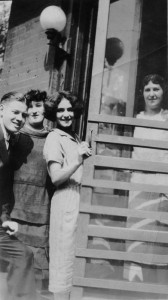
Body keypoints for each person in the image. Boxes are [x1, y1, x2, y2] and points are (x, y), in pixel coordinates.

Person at [43, 91, 92, 300]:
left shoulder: (75, 136)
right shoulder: (54, 137)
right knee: (63, 262)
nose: (65, 114)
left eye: (69, 109)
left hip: (80, 198)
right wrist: (78, 159)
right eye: (60, 110)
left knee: (74, 261)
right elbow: (55, 177)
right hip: (65, 199)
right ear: (54, 113)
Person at [124, 74, 168, 294]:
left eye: (156, 89)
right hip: (139, 188)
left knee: (160, 243)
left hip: (163, 189)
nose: (152, 94)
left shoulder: (167, 119)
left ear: (163, 91)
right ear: (142, 93)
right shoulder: (135, 120)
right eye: (148, 89)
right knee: (139, 240)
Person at [11, 90, 54, 294]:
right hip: (15, 208)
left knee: (36, 269)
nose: (35, 110)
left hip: (41, 210)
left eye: (39, 105)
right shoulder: (15, 136)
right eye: (31, 106)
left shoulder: (52, 138)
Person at [0, 91, 36, 300]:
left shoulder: (9, 140)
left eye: (23, 115)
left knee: (24, 256)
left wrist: (5, 219)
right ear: (1, 109)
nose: (19, 119)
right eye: (15, 112)